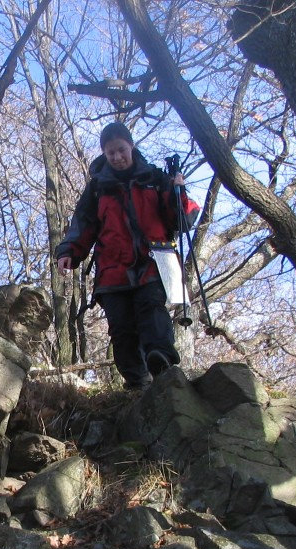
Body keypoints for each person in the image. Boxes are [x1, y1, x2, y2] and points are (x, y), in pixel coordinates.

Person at [57, 122, 200, 390]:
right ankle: (137, 382)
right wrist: (68, 252)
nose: (117, 157)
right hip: (113, 269)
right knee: (121, 328)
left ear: (131, 146)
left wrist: (177, 191)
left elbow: (183, 220)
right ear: (104, 153)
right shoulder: (97, 187)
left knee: (152, 311)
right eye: (110, 153)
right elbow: (83, 224)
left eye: (121, 150)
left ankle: (162, 364)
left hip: (153, 262)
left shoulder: (156, 179)